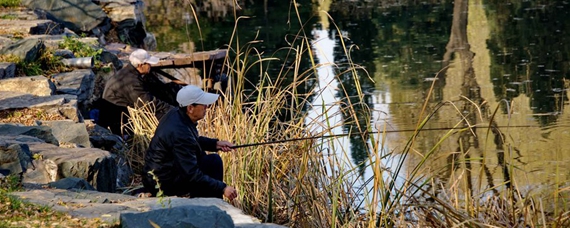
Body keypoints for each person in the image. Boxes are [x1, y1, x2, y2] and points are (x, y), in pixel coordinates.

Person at [142, 85, 238, 200]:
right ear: (190, 108)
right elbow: (191, 174)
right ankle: (208, 207)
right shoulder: (179, 131)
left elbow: (191, 141)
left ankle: (210, 203)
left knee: (211, 160)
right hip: (161, 183)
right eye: (203, 104)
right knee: (213, 162)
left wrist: (216, 144)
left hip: (160, 174)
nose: (207, 107)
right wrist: (223, 188)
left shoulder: (177, 114)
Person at [97, 49, 174, 135]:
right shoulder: (132, 81)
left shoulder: (127, 73)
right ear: (141, 65)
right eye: (148, 63)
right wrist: (171, 109)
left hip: (119, 112)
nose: (150, 66)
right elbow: (147, 104)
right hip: (118, 122)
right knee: (168, 116)